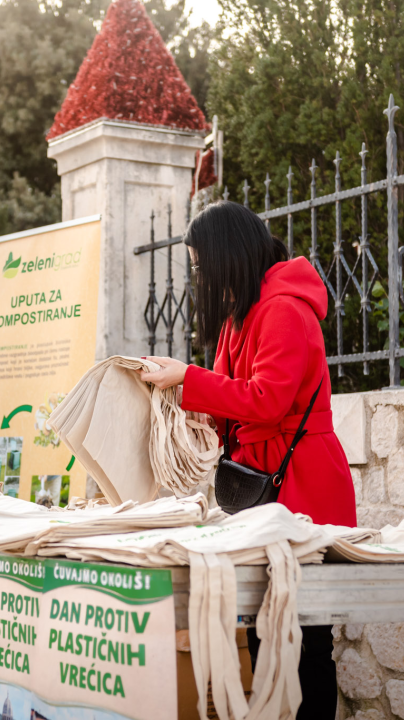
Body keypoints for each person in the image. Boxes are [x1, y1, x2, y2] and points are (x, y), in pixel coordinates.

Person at [140, 201, 356, 719]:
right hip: (262, 488)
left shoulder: (283, 307)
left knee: (305, 635)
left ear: (225, 257)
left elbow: (267, 399)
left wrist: (188, 379)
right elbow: (226, 406)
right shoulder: (242, 314)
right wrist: (179, 405)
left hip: (302, 487)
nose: (197, 276)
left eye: (199, 264)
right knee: (263, 631)